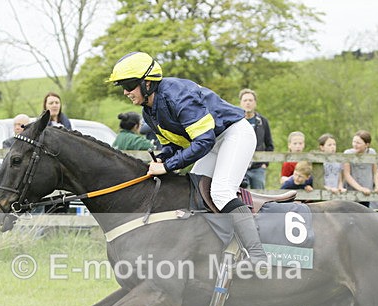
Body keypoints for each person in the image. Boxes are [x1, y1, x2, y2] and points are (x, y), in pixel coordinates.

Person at [107, 51, 267, 267]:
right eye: (122, 86)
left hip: (234, 134)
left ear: (147, 83)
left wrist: (167, 166)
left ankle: (258, 256)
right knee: (192, 193)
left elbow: (203, 142)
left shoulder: (178, 95)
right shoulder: (148, 112)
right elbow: (173, 144)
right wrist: (161, 159)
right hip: (212, 141)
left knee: (220, 193)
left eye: (129, 84)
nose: (125, 91)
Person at [239, 89, 274, 189]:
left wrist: (265, 163)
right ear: (240, 103)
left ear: (255, 103)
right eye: (245, 100)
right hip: (240, 166)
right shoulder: (236, 121)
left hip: (258, 167)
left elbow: (269, 144)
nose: (248, 103)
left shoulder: (262, 121)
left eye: (250, 100)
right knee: (240, 196)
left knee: (259, 197)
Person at [342, 130, 378, 207]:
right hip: (352, 192)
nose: (355, 145)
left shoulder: (371, 153)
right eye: (354, 142)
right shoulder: (348, 153)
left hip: (367, 192)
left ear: (366, 144)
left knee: (364, 214)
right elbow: (347, 174)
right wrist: (360, 188)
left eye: (358, 143)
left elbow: (375, 172)